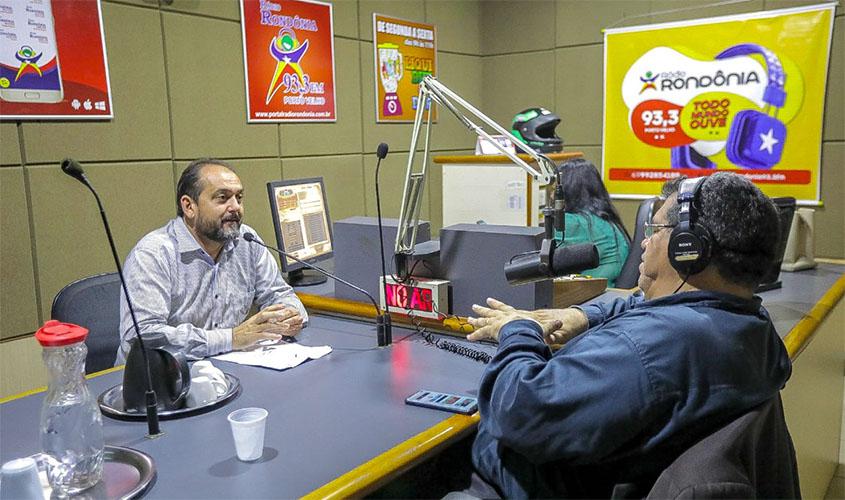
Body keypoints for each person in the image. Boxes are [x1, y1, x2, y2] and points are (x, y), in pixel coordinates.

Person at [465, 172, 792, 498]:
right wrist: (582, 315)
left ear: (688, 247)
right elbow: (645, 303)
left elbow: (518, 409)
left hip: (517, 482)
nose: (645, 242)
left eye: (656, 230)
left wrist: (517, 330)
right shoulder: (750, 325)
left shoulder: (647, 350)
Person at [117, 158, 307, 363]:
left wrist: (288, 316)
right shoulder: (153, 254)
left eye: (239, 198)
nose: (235, 207)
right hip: (158, 375)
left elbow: (280, 294)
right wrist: (231, 338)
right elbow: (142, 336)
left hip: (226, 366)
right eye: (222, 198)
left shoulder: (247, 241)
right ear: (189, 206)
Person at [554, 158, 630, 286]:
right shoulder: (605, 219)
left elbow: (546, 261)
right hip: (612, 289)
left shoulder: (573, 222)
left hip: (595, 291)